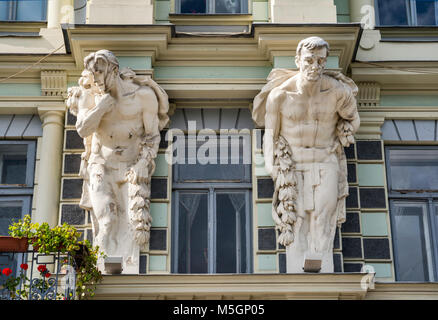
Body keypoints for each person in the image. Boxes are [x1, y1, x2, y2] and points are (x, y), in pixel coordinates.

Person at [252, 36, 360, 273]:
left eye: (321, 61)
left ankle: (320, 267)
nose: (315, 66)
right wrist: (273, 169)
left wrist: (347, 129)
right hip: (294, 166)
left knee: (324, 216)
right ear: (297, 60)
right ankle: (299, 272)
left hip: (326, 161)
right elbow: (270, 136)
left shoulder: (337, 93)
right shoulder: (280, 96)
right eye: (309, 60)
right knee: (298, 220)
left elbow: (353, 119)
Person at [70, 50, 169, 273]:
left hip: (130, 168)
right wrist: (102, 106)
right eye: (93, 77)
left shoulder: (142, 97)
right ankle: (100, 274)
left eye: (100, 75)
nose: (96, 81)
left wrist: (144, 162)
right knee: (106, 221)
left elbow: (152, 136)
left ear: (114, 71)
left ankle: (122, 272)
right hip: (101, 166)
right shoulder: (91, 97)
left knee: (129, 225)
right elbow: (83, 128)